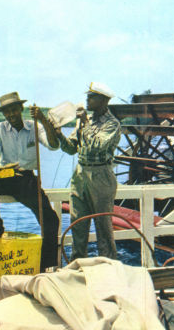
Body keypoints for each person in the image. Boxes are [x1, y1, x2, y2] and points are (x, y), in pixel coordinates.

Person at [0, 92, 60, 273]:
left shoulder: (35, 126)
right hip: (5, 174)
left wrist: (43, 120)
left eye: (14, 110)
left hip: (26, 179)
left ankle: (45, 267)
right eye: (7, 112)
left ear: (21, 109)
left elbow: (54, 145)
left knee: (51, 220)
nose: (11, 115)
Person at [42, 82, 121, 260]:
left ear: (103, 100)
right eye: (88, 96)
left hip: (101, 176)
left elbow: (98, 146)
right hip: (80, 175)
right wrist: (59, 134)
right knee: (77, 225)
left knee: (103, 227)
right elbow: (71, 149)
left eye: (92, 97)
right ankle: (78, 266)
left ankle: (108, 267)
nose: (87, 99)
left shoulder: (112, 124)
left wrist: (85, 123)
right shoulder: (84, 121)